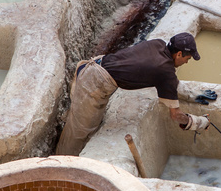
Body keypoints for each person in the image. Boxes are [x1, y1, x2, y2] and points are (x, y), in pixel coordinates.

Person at [55, 32, 209, 155]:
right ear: (179, 54)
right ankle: (60, 163)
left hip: (97, 65)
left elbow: (169, 81)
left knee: (81, 121)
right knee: (80, 131)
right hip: (94, 82)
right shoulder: (165, 71)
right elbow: (176, 115)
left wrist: (193, 95)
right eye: (187, 58)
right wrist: (198, 122)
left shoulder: (158, 44)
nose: (187, 62)